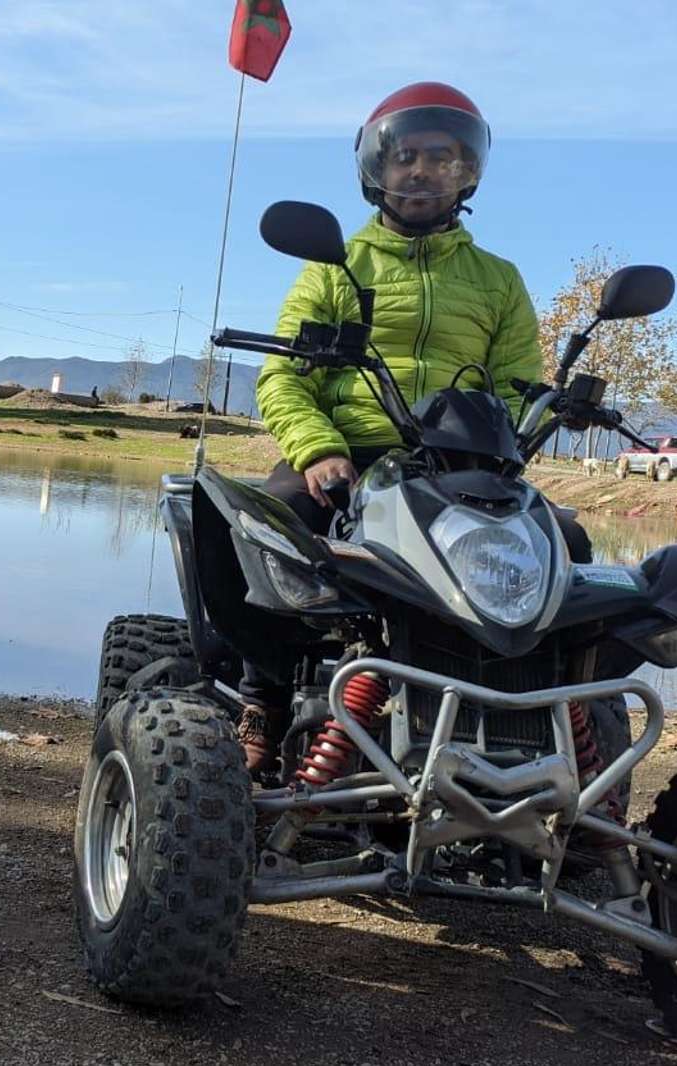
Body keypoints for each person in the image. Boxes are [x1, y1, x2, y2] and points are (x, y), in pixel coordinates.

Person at [237, 82, 593, 778]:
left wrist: (538, 417)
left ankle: (559, 718)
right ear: (378, 169)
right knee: (270, 521)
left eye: (441, 157)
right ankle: (265, 698)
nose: (422, 170)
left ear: (467, 172)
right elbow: (282, 377)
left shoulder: (498, 280)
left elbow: (520, 383)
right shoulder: (335, 266)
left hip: (464, 468)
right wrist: (318, 449)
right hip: (350, 457)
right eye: (406, 156)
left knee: (570, 547)